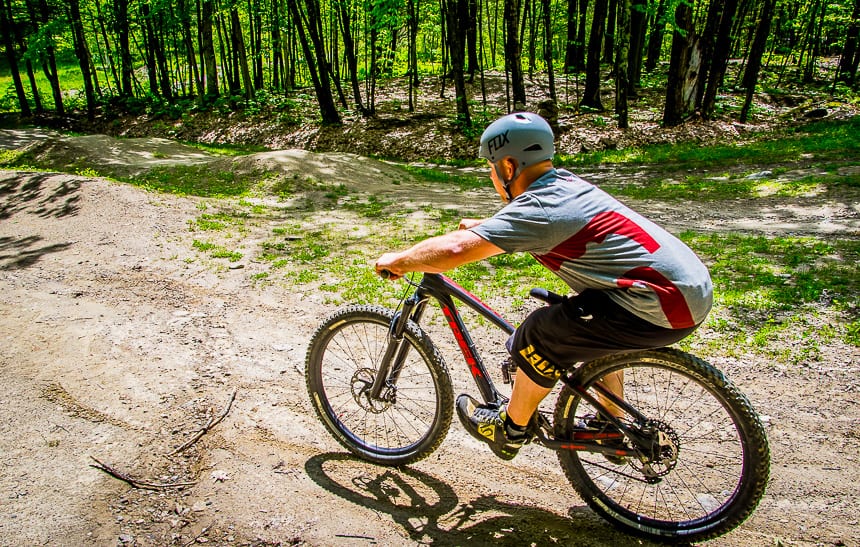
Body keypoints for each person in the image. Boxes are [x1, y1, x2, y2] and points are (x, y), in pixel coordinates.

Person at [374, 112, 712, 460]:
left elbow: (456, 250)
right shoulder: (564, 185)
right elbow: (545, 219)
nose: (491, 175)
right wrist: (489, 225)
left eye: (491, 168)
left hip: (660, 306)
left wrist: (398, 260)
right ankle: (611, 421)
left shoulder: (538, 210)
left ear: (508, 167)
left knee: (539, 333)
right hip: (688, 289)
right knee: (587, 323)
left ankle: (510, 430)